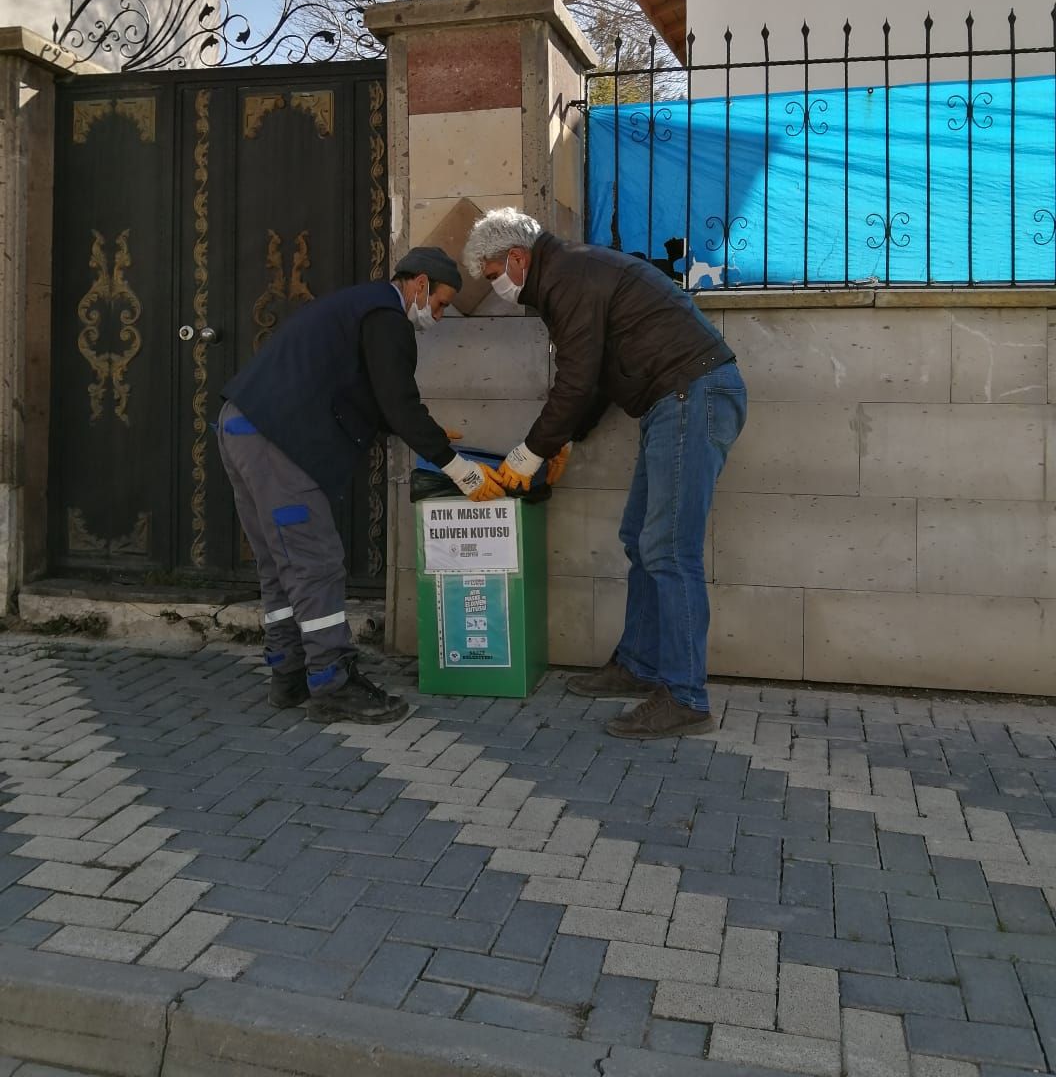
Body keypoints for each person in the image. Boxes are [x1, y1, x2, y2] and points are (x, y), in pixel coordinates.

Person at [463, 209, 747, 740]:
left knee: (667, 548)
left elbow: (574, 380)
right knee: (640, 540)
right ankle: (638, 665)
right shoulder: (565, 275)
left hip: (691, 395)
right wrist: (564, 440)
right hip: (678, 399)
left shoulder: (568, 275)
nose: (494, 286)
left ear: (517, 259)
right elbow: (590, 381)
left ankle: (686, 697)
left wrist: (528, 456)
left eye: (492, 274)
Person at [217, 246, 505, 724]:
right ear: (418, 284)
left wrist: (417, 431)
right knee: (316, 562)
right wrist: (459, 468)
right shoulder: (386, 315)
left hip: (241, 425)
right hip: (276, 440)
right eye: (437, 303)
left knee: (278, 561)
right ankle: (333, 681)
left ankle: (288, 675)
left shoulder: (358, 305)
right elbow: (398, 400)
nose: (435, 314)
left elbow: (369, 397)